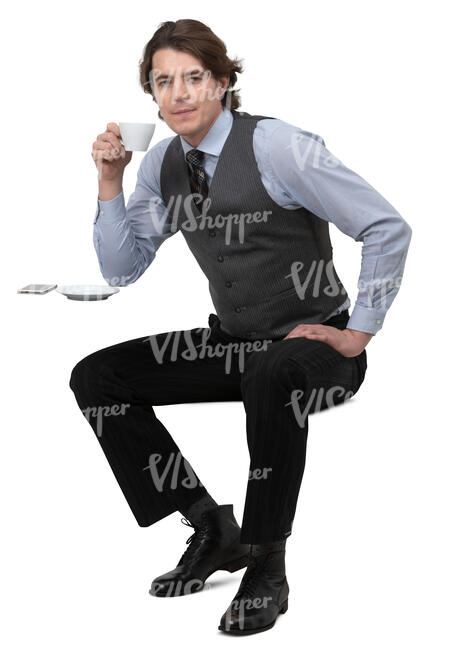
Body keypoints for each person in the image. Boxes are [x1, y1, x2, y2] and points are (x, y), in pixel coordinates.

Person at [69, 18, 412, 636]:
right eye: (163, 81)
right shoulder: (164, 165)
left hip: (315, 346)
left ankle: (265, 565)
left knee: (274, 369)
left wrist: (358, 333)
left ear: (224, 83)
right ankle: (209, 526)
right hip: (235, 343)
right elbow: (122, 269)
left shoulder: (279, 147)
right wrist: (110, 183)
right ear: (151, 93)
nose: (178, 94)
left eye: (194, 78)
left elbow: (386, 228)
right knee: (97, 378)